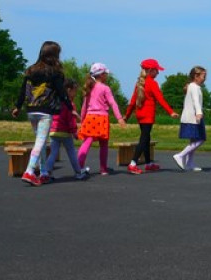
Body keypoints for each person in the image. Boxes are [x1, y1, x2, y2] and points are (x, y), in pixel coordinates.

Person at [13, 41, 76, 186]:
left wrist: (17, 106)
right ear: (55, 56)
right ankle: (29, 171)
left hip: (31, 109)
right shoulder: (55, 73)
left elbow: (23, 90)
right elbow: (62, 92)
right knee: (40, 143)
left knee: (39, 142)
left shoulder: (31, 70)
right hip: (45, 111)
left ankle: (43, 173)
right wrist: (70, 107)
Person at [124, 58, 178, 175]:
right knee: (143, 140)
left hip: (140, 115)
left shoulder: (139, 83)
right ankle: (132, 163)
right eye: (156, 70)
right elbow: (160, 99)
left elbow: (132, 102)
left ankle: (148, 164)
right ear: (150, 70)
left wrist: (126, 116)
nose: (158, 73)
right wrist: (170, 112)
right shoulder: (152, 83)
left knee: (146, 138)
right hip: (148, 116)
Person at [77, 63, 127, 176]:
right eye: (106, 74)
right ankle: (103, 169)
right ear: (102, 75)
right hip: (102, 118)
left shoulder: (89, 87)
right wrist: (119, 118)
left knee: (87, 142)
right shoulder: (105, 88)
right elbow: (113, 103)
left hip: (90, 118)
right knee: (103, 144)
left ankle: (78, 166)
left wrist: (82, 119)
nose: (107, 76)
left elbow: (84, 106)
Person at [44, 79, 88, 181]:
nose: (75, 94)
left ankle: (47, 173)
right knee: (71, 152)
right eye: (74, 91)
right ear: (68, 90)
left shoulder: (55, 102)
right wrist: (74, 132)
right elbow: (70, 121)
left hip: (53, 131)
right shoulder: (69, 105)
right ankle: (78, 172)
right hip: (65, 133)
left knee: (53, 153)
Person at [173, 66, 208, 172]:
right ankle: (180, 155)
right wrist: (199, 112)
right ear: (196, 76)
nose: (205, 78)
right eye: (203, 76)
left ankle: (189, 163)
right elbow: (195, 100)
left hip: (193, 117)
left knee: (194, 140)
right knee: (201, 139)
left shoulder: (195, 86)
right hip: (192, 118)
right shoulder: (193, 87)